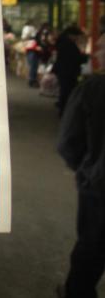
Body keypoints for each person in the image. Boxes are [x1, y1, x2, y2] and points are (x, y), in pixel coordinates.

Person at [58, 75, 105, 297]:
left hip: (99, 185)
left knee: (92, 246)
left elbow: (68, 141)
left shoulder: (93, 88)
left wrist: (85, 168)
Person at [55, 25, 89, 115]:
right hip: (68, 72)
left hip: (64, 71)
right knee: (67, 92)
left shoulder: (63, 42)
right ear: (71, 35)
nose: (77, 38)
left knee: (64, 91)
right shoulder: (68, 44)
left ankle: (63, 110)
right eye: (76, 36)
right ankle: (64, 111)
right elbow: (75, 58)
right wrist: (85, 57)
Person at [28, 24, 54, 88]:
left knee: (36, 66)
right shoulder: (40, 34)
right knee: (34, 66)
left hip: (39, 52)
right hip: (35, 51)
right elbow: (39, 42)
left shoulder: (42, 34)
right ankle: (32, 80)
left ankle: (34, 80)